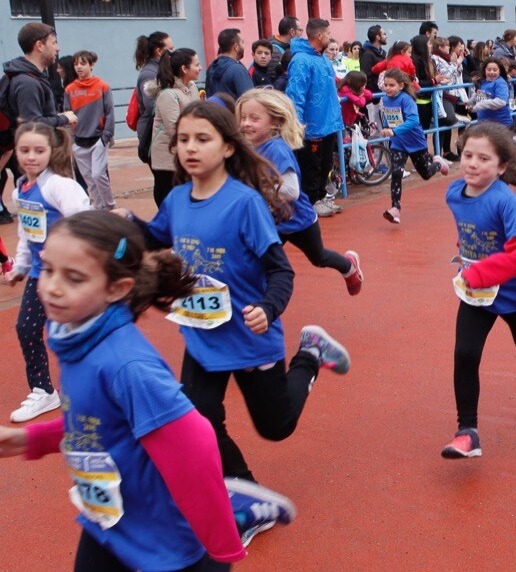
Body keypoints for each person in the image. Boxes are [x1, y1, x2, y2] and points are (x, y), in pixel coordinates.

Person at [118, 99, 351, 545]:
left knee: (276, 427)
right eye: (183, 139)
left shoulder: (244, 204)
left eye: (202, 139)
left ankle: (309, 352)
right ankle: (248, 499)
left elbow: (280, 270)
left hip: (249, 334)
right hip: (202, 335)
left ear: (227, 147)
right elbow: (152, 237)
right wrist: (122, 228)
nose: (189, 148)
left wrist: (269, 307)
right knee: (198, 423)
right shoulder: (177, 199)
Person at [0, 210, 266, 571]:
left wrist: (221, 548)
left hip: (163, 542)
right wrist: (28, 441)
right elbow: (99, 422)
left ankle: (235, 510)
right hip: (110, 522)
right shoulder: (76, 337)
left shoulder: (127, 365)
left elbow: (195, 443)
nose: (52, 287)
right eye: (48, 269)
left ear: (117, 288)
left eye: (74, 278)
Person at [443, 122, 516, 459]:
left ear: (502, 166)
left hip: (515, 290)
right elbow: (472, 229)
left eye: (483, 159)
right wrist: (467, 256)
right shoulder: (453, 193)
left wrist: (484, 271)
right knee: (465, 354)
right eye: (468, 155)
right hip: (475, 291)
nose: (473, 164)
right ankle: (468, 432)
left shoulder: (505, 201)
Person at [237, 88, 363, 295]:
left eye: (254, 118)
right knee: (257, 260)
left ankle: (348, 267)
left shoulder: (276, 149)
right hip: (274, 222)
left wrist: (256, 190)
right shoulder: (251, 148)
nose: (246, 123)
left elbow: (291, 191)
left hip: (299, 220)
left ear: (274, 122)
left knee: (319, 258)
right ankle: (256, 301)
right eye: (243, 118)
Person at [4, 122, 90, 423]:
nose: (31, 156)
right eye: (24, 150)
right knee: (26, 329)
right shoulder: (20, 189)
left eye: (38, 150)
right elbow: (27, 231)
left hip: (70, 276)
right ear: (15, 152)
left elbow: (85, 224)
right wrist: (21, 266)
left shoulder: (60, 186)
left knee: (74, 333)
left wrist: (63, 250)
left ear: (51, 152)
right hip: (40, 275)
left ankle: (94, 389)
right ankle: (43, 391)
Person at [286, 19, 344, 216]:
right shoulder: (301, 60)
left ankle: (320, 196)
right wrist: (298, 122)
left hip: (327, 122)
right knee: (312, 165)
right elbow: (296, 94)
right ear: (319, 36)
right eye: (327, 33)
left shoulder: (322, 58)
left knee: (326, 163)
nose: (329, 36)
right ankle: (310, 201)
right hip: (312, 125)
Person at [378, 68, 449, 224]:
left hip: (415, 143)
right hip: (398, 144)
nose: (388, 88)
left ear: (401, 86)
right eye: (386, 85)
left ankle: (437, 163)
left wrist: (394, 131)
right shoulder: (384, 100)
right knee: (396, 173)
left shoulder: (406, 100)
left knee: (425, 174)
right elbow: (387, 118)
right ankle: (395, 209)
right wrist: (385, 128)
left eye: (392, 85)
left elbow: (413, 121)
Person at [149, 49, 203, 207]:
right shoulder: (168, 95)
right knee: (171, 203)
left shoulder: (191, 87)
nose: (200, 68)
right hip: (168, 161)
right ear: (184, 69)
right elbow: (175, 129)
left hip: (184, 157)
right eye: (197, 65)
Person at [64, 50, 116, 210]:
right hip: (79, 142)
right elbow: (67, 114)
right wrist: (71, 142)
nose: (78, 67)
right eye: (76, 63)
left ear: (91, 65)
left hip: (97, 139)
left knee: (98, 174)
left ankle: (109, 206)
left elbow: (110, 113)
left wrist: (105, 137)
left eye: (83, 63)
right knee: (89, 179)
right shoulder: (70, 89)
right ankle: (100, 207)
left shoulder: (102, 87)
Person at [132, 31, 173, 166]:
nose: (173, 54)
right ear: (159, 51)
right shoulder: (150, 73)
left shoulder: (158, 69)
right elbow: (151, 105)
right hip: (151, 132)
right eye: (170, 50)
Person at [205, 29, 254, 99]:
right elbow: (249, 99)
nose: (244, 46)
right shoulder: (238, 70)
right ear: (236, 47)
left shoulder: (211, 68)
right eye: (242, 43)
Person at [470, 57, 514, 129]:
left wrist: (481, 105)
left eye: (495, 70)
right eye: (489, 70)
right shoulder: (483, 81)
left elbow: (501, 102)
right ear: (484, 70)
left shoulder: (500, 83)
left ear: (500, 71)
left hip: (500, 124)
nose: (491, 72)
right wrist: (470, 102)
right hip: (484, 123)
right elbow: (480, 96)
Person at [361, 24, 388, 93]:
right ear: (378, 37)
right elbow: (366, 77)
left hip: (382, 92)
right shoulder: (367, 55)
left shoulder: (382, 53)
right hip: (373, 96)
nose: (386, 36)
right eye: (384, 34)